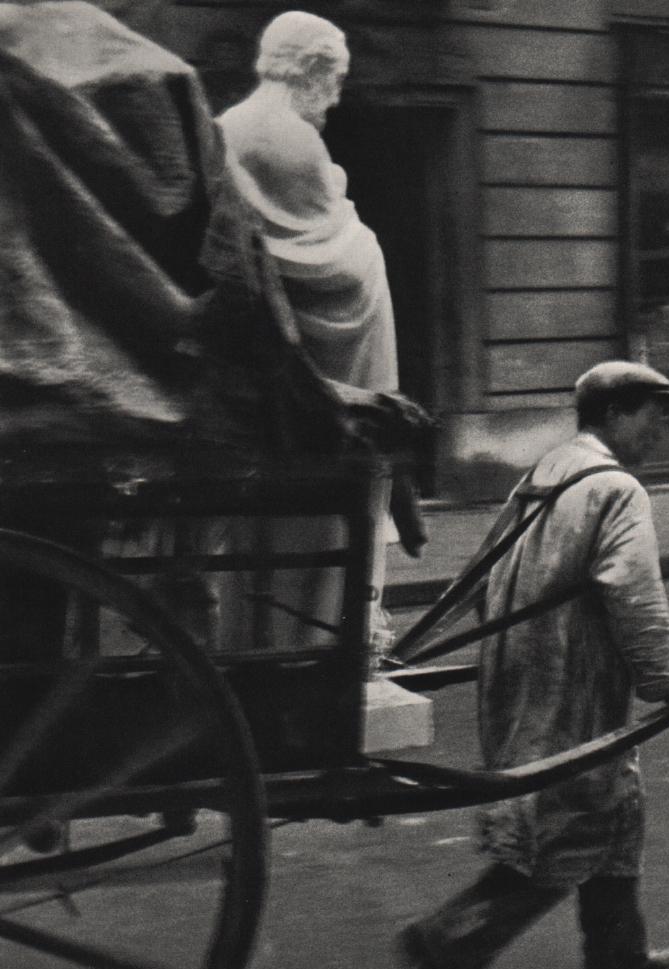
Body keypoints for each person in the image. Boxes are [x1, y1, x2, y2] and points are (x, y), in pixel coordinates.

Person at [397, 361, 669, 969]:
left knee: (616, 809)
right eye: (653, 414)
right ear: (616, 412)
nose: (659, 431)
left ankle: (617, 956)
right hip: (571, 679)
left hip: (522, 671)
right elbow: (634, 594)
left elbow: (485, 569)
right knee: (569, 825)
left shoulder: (547, 471)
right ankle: (448, 941)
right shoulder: (616, 488)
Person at [216, 11, 413, 651]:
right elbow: (329, 259)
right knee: (322, 522)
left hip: (278, 371)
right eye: (335, 78)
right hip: (329, 373)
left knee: (273, 533)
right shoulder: (285, 135)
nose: (336, 94)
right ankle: (323, 643)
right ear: (312, 68)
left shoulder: (229, 128)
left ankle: (265, 637)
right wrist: (358, 225)